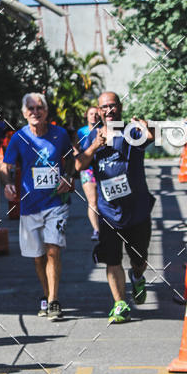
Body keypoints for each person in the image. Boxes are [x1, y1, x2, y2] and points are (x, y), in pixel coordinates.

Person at [75, 91, 155, 324]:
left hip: (137, 211)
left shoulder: (132, 131)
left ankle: (137, 277)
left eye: (112, 106)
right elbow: (79, 165)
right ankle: (120, 304)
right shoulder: (92, 136)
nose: (108, 110)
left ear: (120, 107)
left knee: (139, 259)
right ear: (99, 111)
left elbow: (151, 136)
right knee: (112, 259)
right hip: (108, 212)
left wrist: (148, 128)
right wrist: (94, 147)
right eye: (104, 107)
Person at [0, 92, 75, 320]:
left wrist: (68, 176)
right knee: (38, 255)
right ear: (24, 113)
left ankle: (53, 301)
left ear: (46, 111)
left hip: (56, 202)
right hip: (30, 205)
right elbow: (5, 166)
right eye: (30, 108)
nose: (35, 112)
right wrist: (7, 183)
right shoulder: (19, 138)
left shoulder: (60, 134)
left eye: (39, 107)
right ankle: (46, 295)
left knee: (53, 249)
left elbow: (70, 157)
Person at [75, 106, 100, 241]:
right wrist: (79, 157)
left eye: (96, 114)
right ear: (86, 115)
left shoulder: (103, 130)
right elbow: (74, 147)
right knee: (93, 201)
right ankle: (96, 229)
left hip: (101, 168)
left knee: (104, 201)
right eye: (91, 114)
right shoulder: (81, 131)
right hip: (87, 169)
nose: (94, 117)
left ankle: (107, 227)